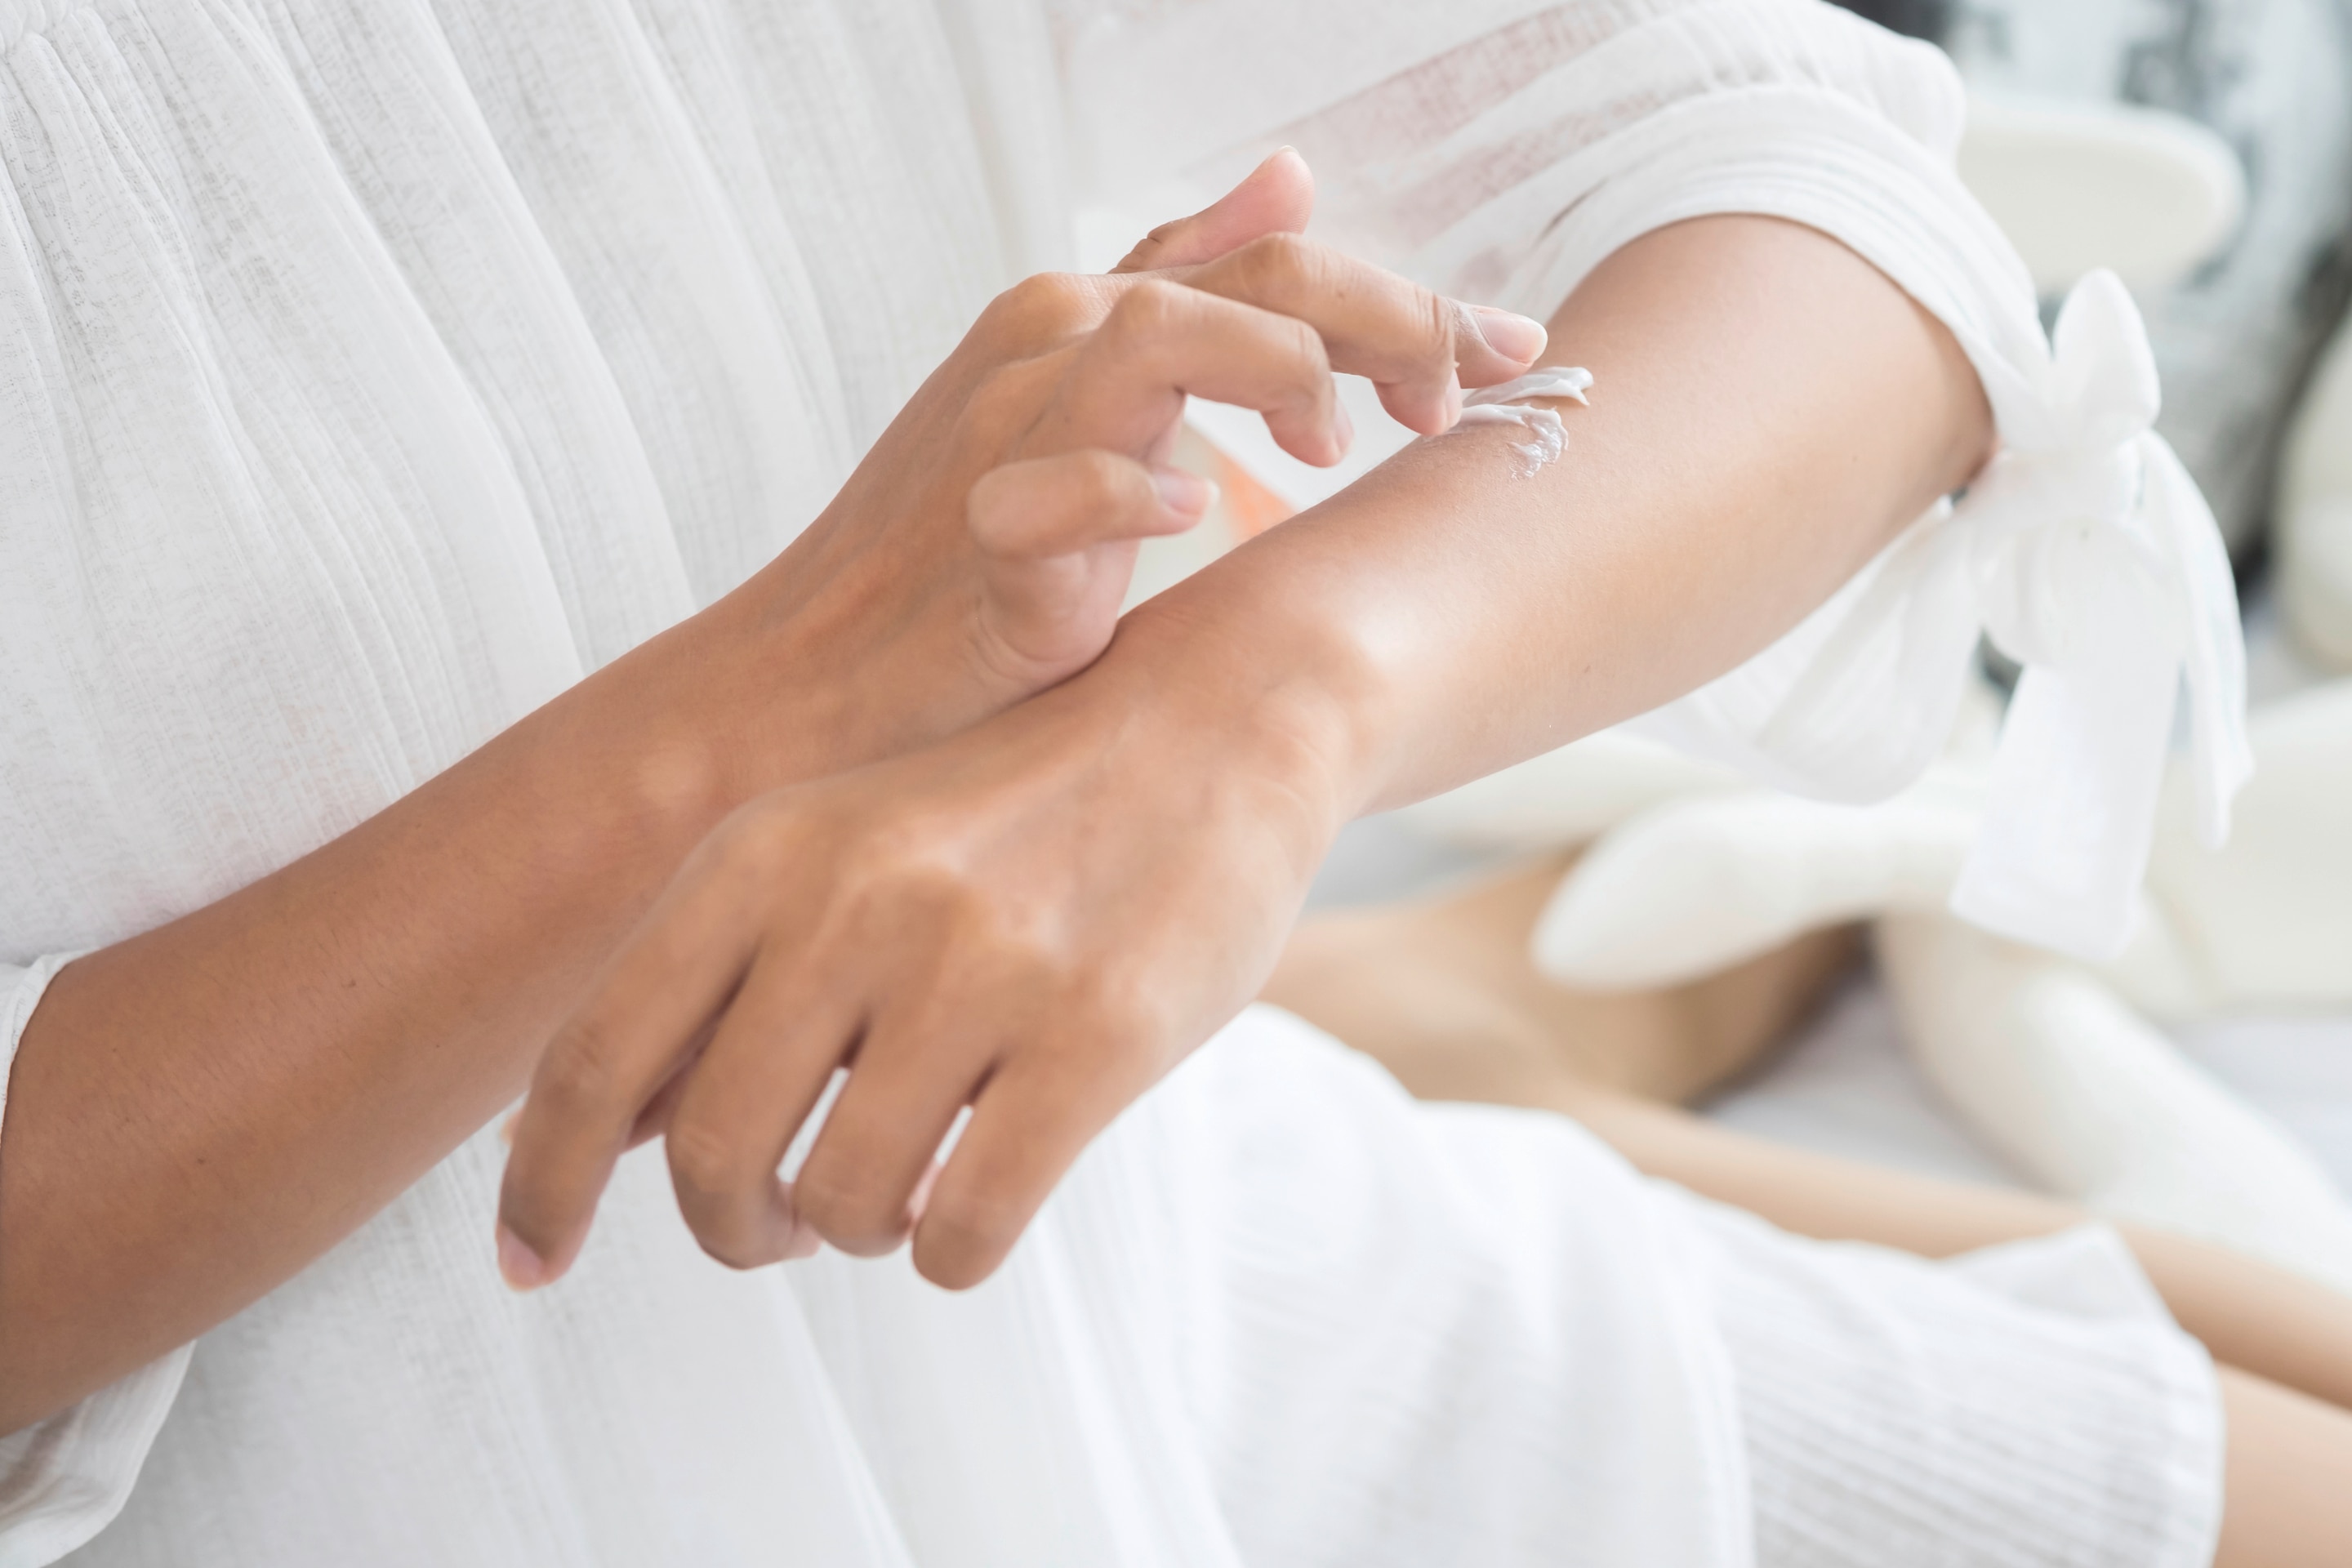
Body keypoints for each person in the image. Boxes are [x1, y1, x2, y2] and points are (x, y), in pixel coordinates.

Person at [1, 2, 2343, 1565]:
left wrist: (1259, 714)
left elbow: (1842, 239)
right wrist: (755, 712)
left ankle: (1454, 1047)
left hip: (1162, 1272)